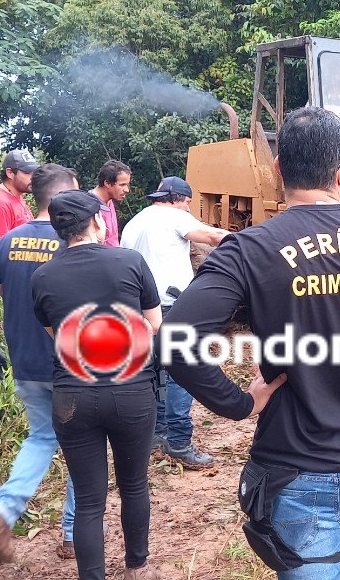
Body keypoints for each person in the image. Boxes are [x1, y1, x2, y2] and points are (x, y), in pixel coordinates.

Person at [164, 106, 340, 579]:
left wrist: (238, 403)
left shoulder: (249, 249)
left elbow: (175, 341)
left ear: (277, 170)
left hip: (293, 466)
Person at [31, 189, 162, 580]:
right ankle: (137, 565)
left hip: (72, 397)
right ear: (96, 221)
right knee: (134, 484)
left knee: (89, 499)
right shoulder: (129, 261)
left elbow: (55, 332)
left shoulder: (43, 276)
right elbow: (154, 324)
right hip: (132, 391)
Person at [0, 163, 79, 564]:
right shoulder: (75, 240)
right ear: (65, 194)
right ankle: (73, 534)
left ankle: (3, 513)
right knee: (83, 447)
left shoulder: (8, 242)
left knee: (41, 438)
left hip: (27, 364)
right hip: (72, 367)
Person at [120, 177, 230, 467]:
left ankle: (157, 433)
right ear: (178, 199)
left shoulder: (135, 222)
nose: (188, 208)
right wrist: (248, 241)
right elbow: (213, 237)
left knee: (154, 372)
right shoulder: (173, 216)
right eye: (188, 203)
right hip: (170, 308)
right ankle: (180, 441)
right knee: (182, 373)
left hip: (138, 309)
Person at [0, 149, 39, 254]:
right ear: (10, 173)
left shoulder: (16, 196)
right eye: (27, 173)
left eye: (34, 173)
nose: (33, 178)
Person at [89, 159, 132, 247]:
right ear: (107, 183)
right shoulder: (90, 206)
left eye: (127, 185)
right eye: (122, 185)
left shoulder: (109, 202)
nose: (127, 190)